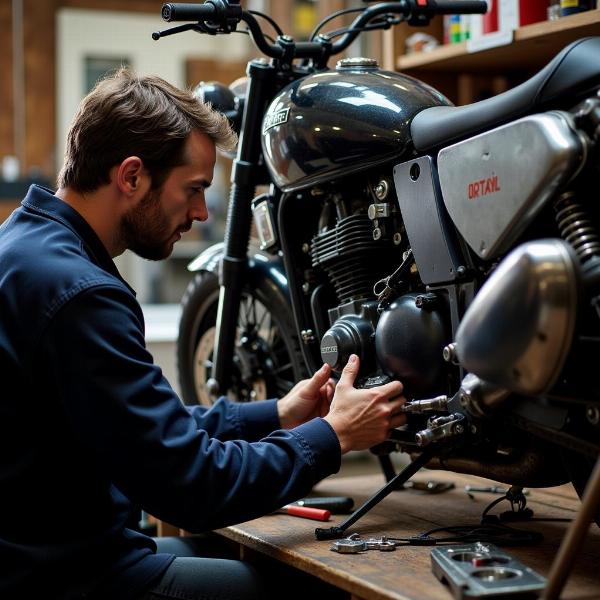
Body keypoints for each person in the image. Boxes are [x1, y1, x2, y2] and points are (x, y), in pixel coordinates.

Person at [0, 69, 407, 600]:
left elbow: (142, 428)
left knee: (244, 556)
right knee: (319, 588)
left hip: (48, 555)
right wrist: (335, 437)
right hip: (69, 579)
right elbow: (192, 485)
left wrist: (279, 415)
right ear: (131, 177)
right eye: (193, 190)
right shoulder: (80, 294)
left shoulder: (25, 248)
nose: (199, 212)